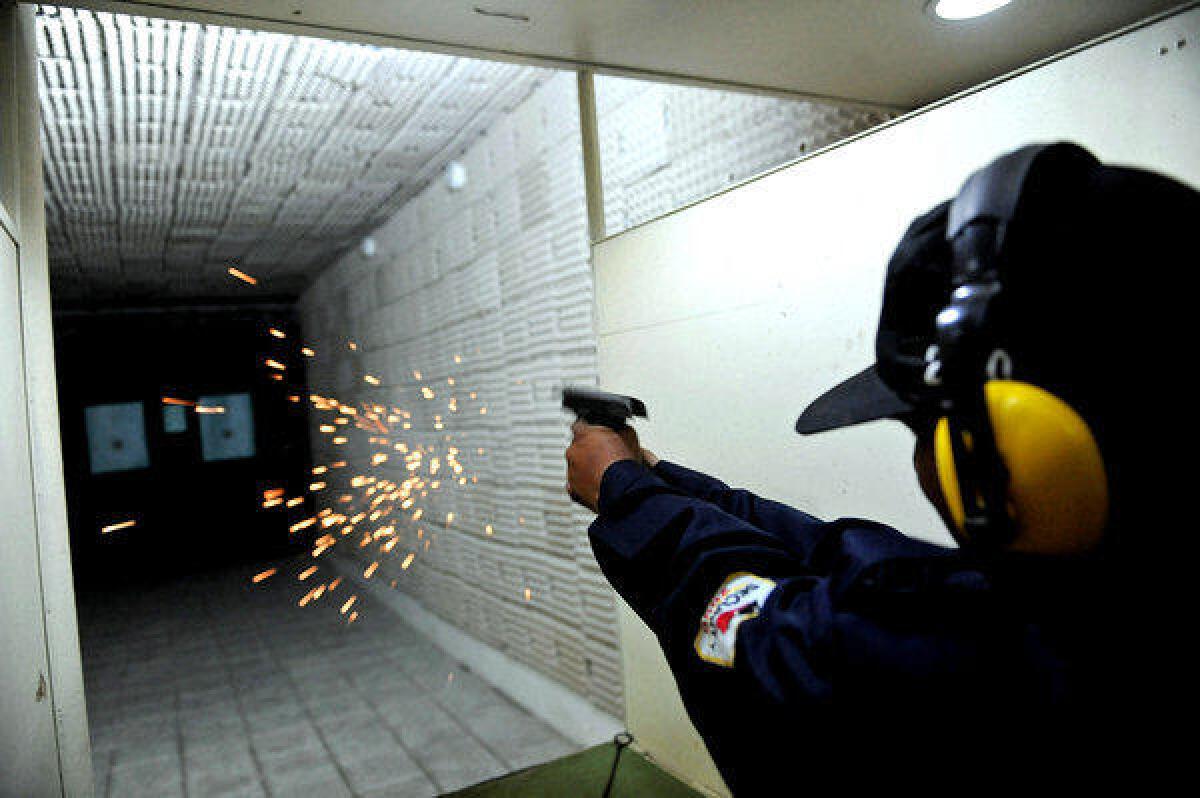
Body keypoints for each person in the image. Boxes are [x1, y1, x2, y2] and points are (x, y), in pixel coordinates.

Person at [564, 142, 1199, 793]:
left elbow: (758, 630)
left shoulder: (982, 666)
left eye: (924, 427)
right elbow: (853, 563)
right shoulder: (1093, 596)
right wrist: (654, 475)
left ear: (1010, 449)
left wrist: (623, 491)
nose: (926, 460)